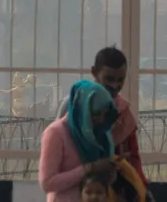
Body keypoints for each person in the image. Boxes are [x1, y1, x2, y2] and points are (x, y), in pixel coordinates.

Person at [38, 80, 119, 202]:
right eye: (95, 113)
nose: (100, 119)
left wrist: (109, 169)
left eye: (103, 114)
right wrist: (88, 169)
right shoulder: (56, 133)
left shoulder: (99, 134)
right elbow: (47, 182)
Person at [59, 46, 145, 184]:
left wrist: (141, 186)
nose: (114, 85)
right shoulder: (72, 105)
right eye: (109, 78)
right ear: (94, 72)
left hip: (114, 188)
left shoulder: (122, 110)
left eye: (120, 80)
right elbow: (60, 150)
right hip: (78, 187)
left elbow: (133, 156)